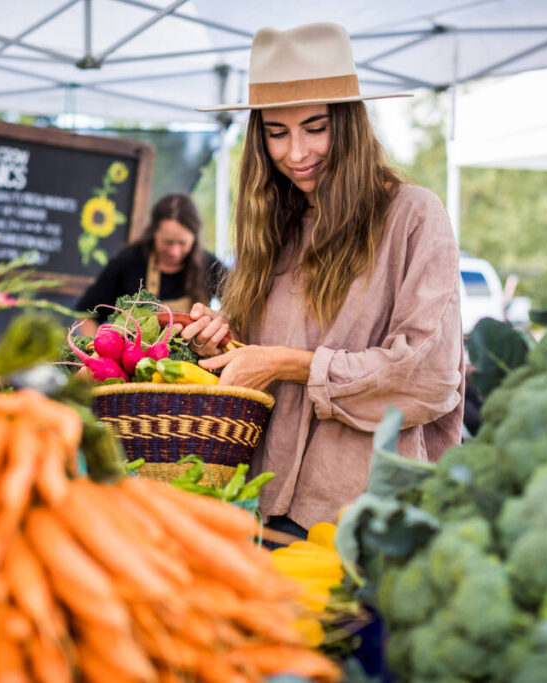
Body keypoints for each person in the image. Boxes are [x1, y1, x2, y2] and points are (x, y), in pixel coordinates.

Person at [179, 22, 466, 533]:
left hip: (369, 514)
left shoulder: (413, 216)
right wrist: (219, 345)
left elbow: (427, 378)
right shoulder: (274, 226)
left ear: (350, 123)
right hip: (263, 503)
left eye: (315, 128)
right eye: (276, 133)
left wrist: (288, 364)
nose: (296, 153)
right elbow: (256, 361)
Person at [74, 193, 226, 335]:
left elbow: (241, 309)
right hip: (134, 361)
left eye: (182, 243)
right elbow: (86, 314)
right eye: (168, 242)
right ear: (154, 232)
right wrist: (96, 355)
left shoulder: (209, 265)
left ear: (194, 238)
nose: (174, 251)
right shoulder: (129, 261)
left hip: (194, 363)